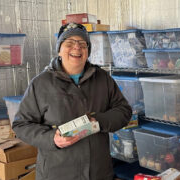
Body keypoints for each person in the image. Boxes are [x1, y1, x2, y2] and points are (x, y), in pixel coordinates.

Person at [12, 23, 132, 180]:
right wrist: (52, 138)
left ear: (88, 51)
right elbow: (21, 125)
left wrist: (97, 122)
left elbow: (124, 110)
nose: (77, 48)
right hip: (58, 173)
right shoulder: (41, 84)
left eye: (83, 44)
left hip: (98, 172)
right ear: (59, 50)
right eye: (69, 43)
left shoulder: (102, 79)